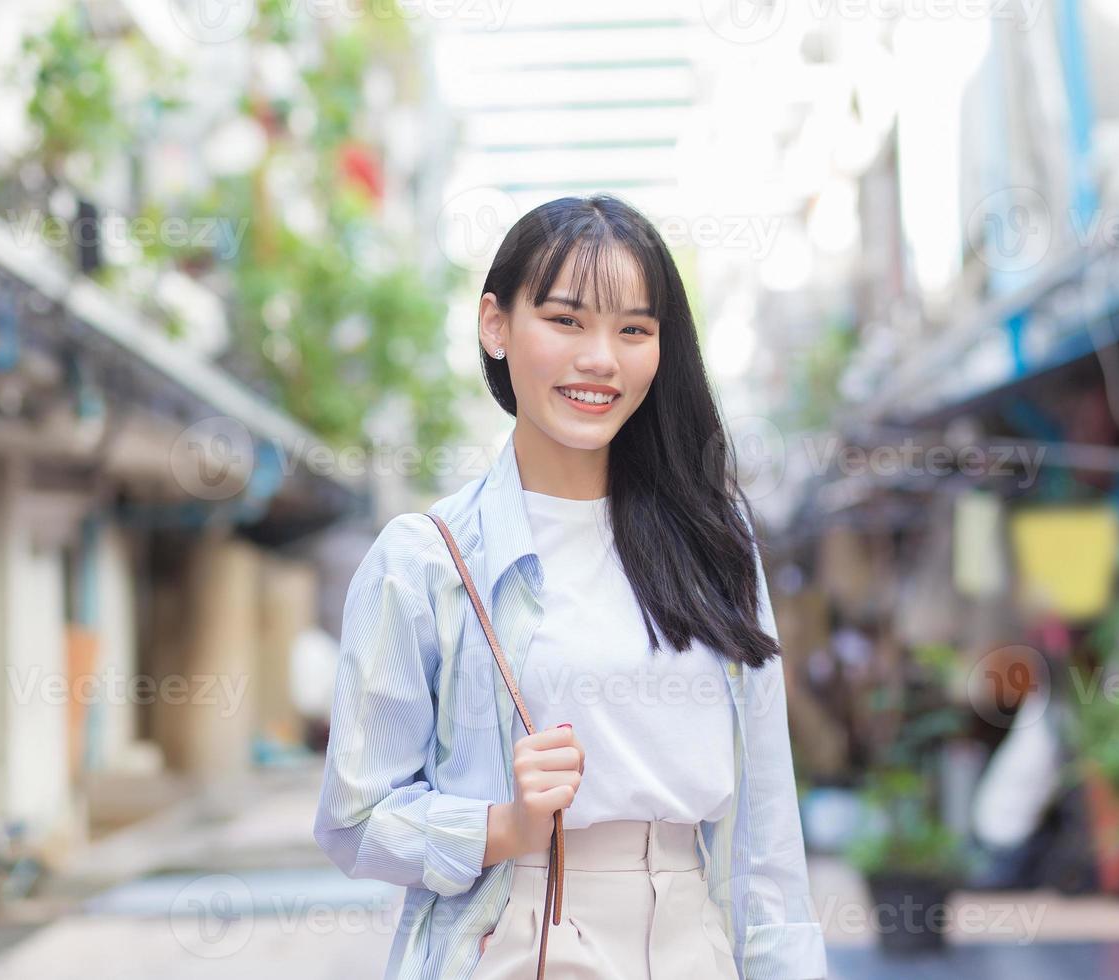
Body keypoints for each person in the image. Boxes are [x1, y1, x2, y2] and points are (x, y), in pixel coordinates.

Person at [314, 195, 827, 979]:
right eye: (565, 321)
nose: (602, 359)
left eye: (634, 330)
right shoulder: (427, 562)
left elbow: (766, 844)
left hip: (696, 940)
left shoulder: (716, 544)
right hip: (521, 933)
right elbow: (353, 817)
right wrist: (501, 826)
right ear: (496, 325)